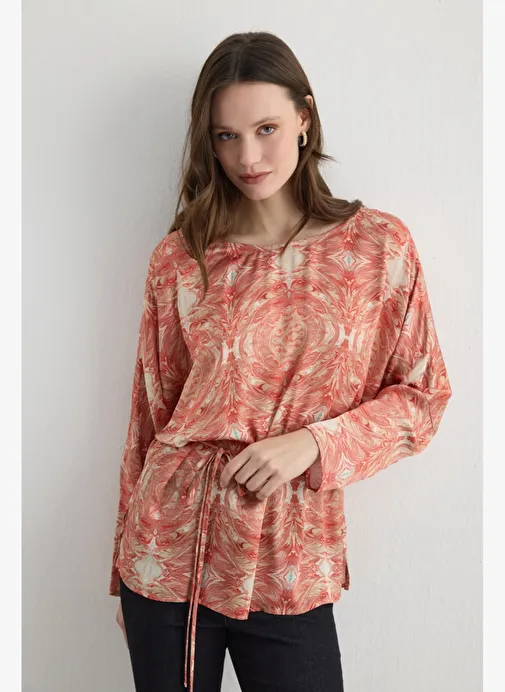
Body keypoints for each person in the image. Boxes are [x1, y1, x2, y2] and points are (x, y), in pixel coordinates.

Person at [109, 30, 452, 692]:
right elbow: (149, 416)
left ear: (304, 117)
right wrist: (124, 569)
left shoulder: (378, 248)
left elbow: (424, 397)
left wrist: (314, 443)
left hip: (292, 560)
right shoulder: (182, 257)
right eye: (226, 136)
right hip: (169, 552)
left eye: (265, 128)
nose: (248, 156)